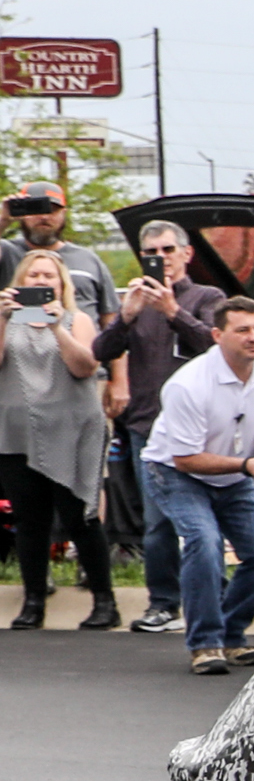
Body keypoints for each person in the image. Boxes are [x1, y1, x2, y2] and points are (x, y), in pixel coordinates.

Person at [141, 298, 254, 675]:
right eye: (243, 330)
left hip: (235, 472)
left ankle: (231, 633)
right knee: (204, 541)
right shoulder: (188, 384)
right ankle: (205, 643)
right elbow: (186, 458)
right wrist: (247, 464)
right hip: (176, 471)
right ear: (217, 335)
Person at [95, 222, 226, 633]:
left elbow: (216, 345)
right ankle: (163, 603)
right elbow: (101, 351)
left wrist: (173, 311)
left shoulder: (208, 296)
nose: (162, 256)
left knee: (207, 522)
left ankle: (213, 598)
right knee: (157, 524)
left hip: (202, 428)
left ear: (187, 254)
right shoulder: (135, 303)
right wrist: (126, 316)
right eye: (152, 251)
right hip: (148, 428)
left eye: (169, 249)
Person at [2, 250, 117, 628]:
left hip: (72, 431)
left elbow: (86, 366)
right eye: (32, 274)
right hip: (17, 435)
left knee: (80, 518)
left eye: (48, 275)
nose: (40, 281)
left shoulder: (77, 319)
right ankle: (34, 600)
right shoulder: (6, 320)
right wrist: (3, 319)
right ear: (20, 281)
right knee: (30, 521)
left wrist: (55, 327)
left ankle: (104, 600)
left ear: (61, 283)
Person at [1, 181, 119, 327]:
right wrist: (3, 220)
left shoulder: (88, 259)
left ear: (64, 214)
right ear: (21, 213)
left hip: (80, 343)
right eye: (36, 209)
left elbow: (109, 317)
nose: (44, 216)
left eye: (52, 210)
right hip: (20, 344)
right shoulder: (6, 253)